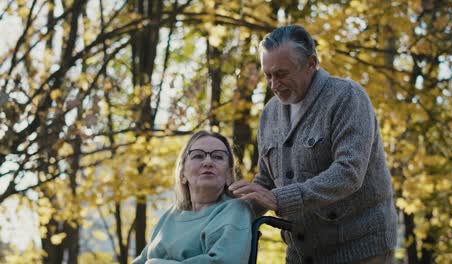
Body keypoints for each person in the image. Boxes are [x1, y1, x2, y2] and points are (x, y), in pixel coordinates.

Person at [229, 25, 398, 263]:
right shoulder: (269, 113)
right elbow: (266, 180)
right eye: (268, 75)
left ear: (311, 64)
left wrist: (279, 199)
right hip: (301, 252)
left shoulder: (347, 97)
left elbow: (348, 173)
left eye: (282, 74)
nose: (273, 85)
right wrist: (234, 213)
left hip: (361, 250)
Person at [133, 130, 253, 264]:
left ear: (229, 176)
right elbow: (143, 259)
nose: (208, 162)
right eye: (198, 156)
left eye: (218, 157)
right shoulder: (171, 215)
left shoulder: (235, 210)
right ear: (182, 174)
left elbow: (225, 261)